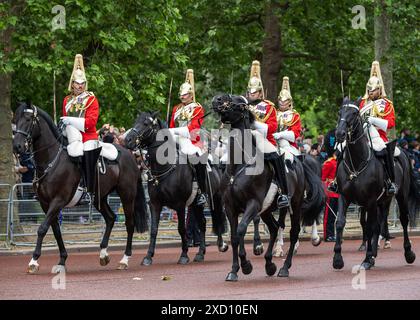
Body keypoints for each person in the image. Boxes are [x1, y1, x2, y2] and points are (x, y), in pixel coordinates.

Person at [246, 61, 289, 208]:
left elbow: (272, 127)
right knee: (224, 157)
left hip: (264, 139)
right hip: (244, 138)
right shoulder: (242, 105)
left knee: (277, 158)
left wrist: (254, 124)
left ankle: (283, 192)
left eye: (254, 92)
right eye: (250, 92)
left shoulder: (269, 106)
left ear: (260, 92)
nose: (252, 95)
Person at [60, 54, 101, 203]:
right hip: (70, 135)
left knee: (87, 153)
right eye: (77, 83)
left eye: (82, 83)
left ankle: (88, 189)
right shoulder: (67, 100)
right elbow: (64, 119)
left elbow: (90, 123)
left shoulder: (91, 99)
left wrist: (70, 120)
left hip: (88, 136)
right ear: (72, 84)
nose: (80, 86)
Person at [169, 69, 208, 206]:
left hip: (191, 140)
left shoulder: (197, 108)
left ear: (191, 95)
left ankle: (202, 192)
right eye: (181, 95)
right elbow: (171, 125)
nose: (182, 97)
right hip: (175, 138)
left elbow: (194, 128)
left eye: (185, 95)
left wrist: (174, 131)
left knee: (195, 157)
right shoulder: (176, 109)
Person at [359, 60, 396, 194]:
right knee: (343, 147)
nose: (370, 92)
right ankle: (336, 181)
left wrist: (373, 119)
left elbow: (390, 124)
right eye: (369, 90)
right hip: (361, 136)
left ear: (379, 89)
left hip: (378, 136)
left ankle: (389, 182)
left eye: (373, 90)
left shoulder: (386, 104)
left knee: (382, 149)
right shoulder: (362, 103)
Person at [322, 149, 339, 242]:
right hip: (330, 192)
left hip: (337, 193)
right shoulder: (329, 163)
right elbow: (322, 178)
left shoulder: (340, 162)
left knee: (334, 215)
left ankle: (332, 234)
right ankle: (328, 235)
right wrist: (324, 192)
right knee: (328, 216)